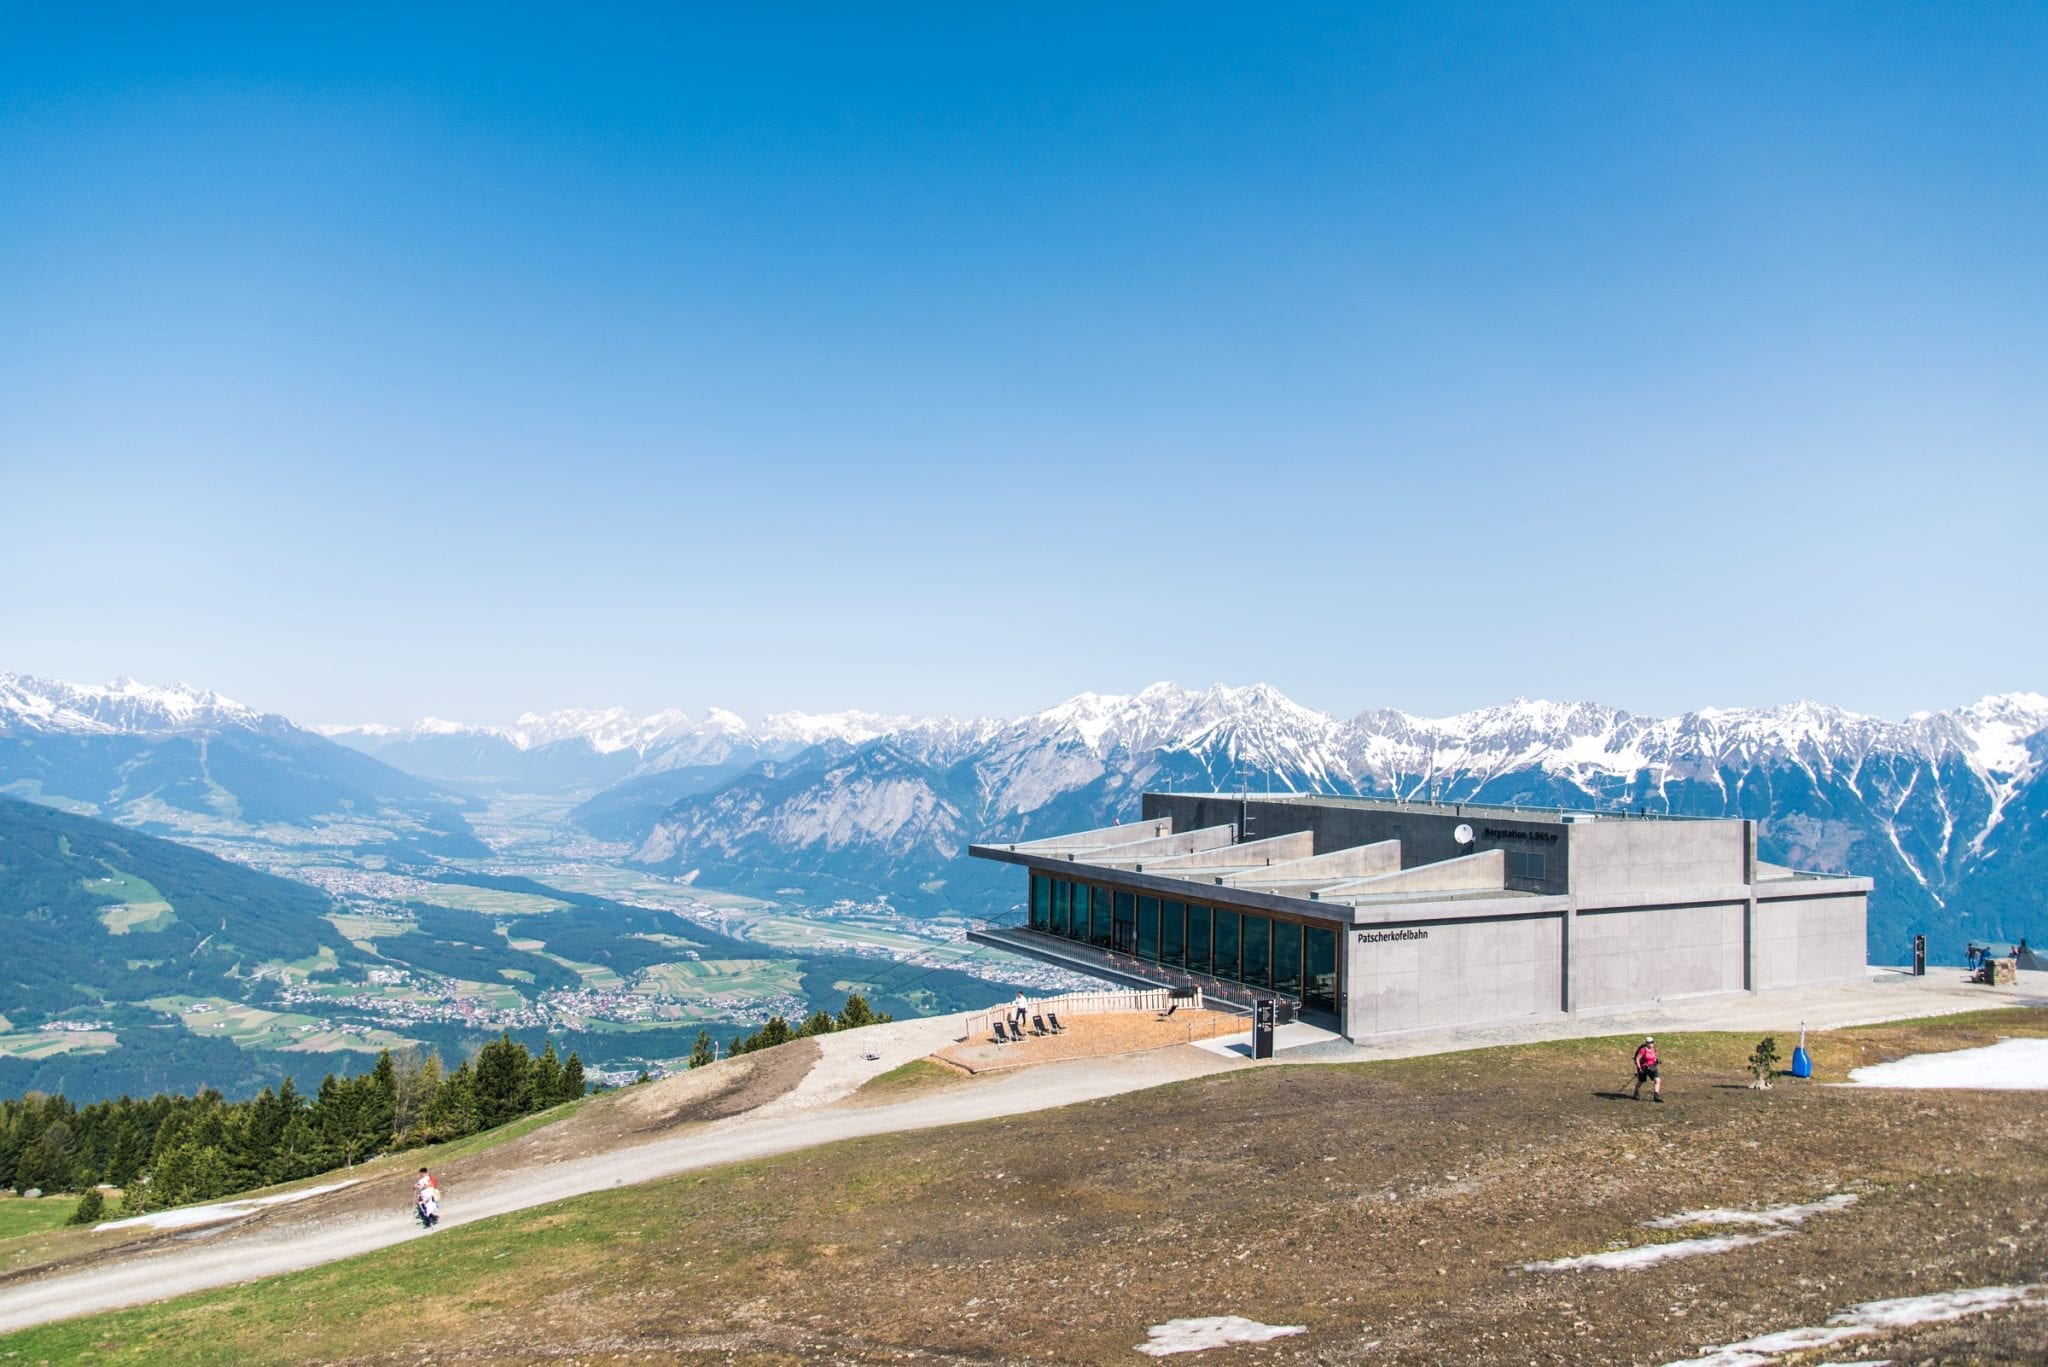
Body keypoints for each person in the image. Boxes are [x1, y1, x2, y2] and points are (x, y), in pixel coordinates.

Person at [1632, 1036, 1662, 1102]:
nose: (1652, 1043)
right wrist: (1639, 1068)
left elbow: (1654, 1057)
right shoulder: (1643, 1050)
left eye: (1652, 1042)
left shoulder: (1653, 1049)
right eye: (1650, 1042)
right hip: (1644, 1068)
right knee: (1641, 1081)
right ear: (1647, 1043)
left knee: (1657, 1080)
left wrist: (1656, 1060)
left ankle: (1656, 1095)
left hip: (1652, 1068)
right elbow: (1637, 1059)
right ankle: (1636, 1093)